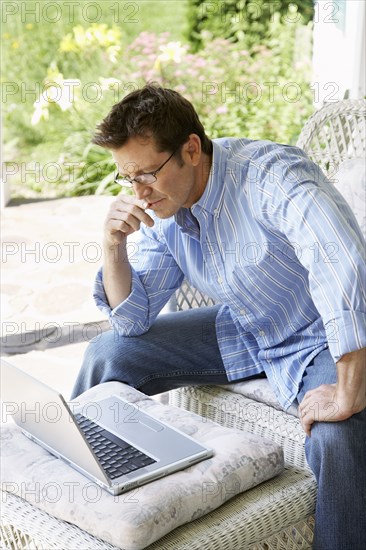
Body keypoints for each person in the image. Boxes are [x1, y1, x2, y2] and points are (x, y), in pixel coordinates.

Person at [71, 84, 366, 549]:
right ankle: (89, 498)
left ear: (191, 149)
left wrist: (349, 386)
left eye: (147, 173)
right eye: (128, 179)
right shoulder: (162, 204)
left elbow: (341, 261)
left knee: (338, 435)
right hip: (246, 327)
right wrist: (113, 247)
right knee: (109, 353)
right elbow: (132, 320)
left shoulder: (273, 177)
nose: (139, 192)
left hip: (317, 337)